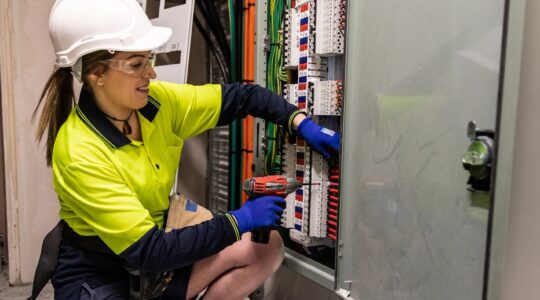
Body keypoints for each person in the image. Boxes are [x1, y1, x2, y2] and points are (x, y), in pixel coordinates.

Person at [31, 0, 340, 299]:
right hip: (101, 270)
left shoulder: (156, 103)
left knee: (266, 247)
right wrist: (238, 221)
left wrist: (299, 121)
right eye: (137, 64)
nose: (151, 74)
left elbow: (244, 97)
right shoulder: (79, 152)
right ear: (96, 74)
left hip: (154, 245)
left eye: (148, 59)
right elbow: (149, 251)